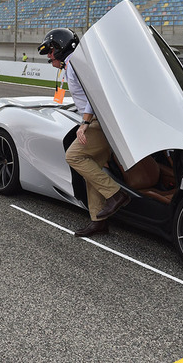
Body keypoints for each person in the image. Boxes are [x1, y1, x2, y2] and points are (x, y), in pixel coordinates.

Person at [38, 27, 130, 238]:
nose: (49, 56)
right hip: (99, 120)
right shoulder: (74, 65)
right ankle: (99, 221)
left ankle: (116, 194)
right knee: (92, 169)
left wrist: (85, 122)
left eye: (51, 51)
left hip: (98, 121)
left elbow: (93, 96)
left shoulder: (75, 66)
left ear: (61, 47)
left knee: (74, 156)